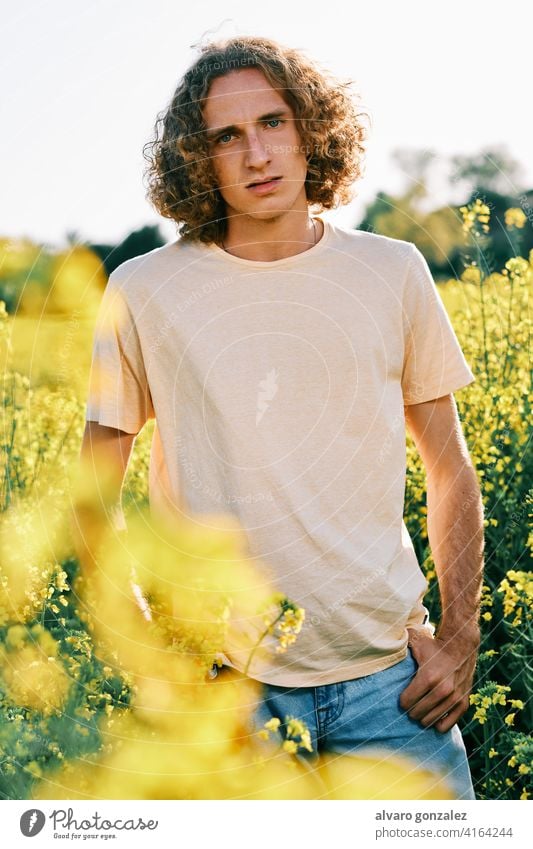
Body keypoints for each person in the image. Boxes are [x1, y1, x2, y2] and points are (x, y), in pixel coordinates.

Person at [80, 36, 484, 800]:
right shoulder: (143, 289)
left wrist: (459, 640)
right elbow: (93, 493)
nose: (255, 153)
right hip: (229, 698)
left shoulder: (392, 270)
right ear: (197, 158)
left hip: (393, 692)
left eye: (272, 122)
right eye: (226, 135)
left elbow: (448, 465)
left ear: (311, 131)